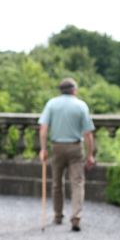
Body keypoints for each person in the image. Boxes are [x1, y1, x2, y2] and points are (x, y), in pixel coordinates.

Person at [38, 77, 96, 231]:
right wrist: (90, 154)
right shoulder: (81, 105)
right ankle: (76, 217)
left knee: (57, 183)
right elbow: (88, 134)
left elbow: (43, 129)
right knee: (77, 183)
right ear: (74, 90)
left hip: (57, 147)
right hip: (75, 148)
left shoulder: (51, 104)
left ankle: (58, 215)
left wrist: (43, 149)